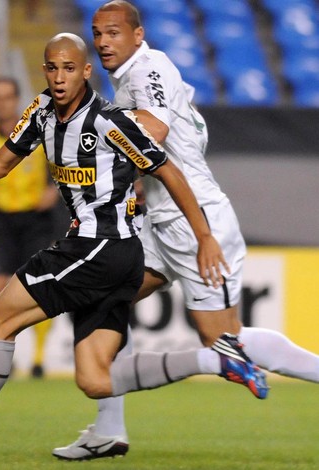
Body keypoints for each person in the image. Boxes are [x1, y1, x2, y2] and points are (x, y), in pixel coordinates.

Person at [0, 33, 267, 468]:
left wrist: (204, 237)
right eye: (53, 68)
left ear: (86, 72)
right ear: (45, 70)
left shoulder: (109, 121)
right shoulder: (42, 110)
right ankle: (216, 360)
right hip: (113, 257)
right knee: (95, 379)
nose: (60, 77)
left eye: (70, 68)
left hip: (98, 247)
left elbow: (170, 172)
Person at [52, 1, 319, 461]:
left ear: (138, 35)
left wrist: (90, 128)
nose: (102, 42)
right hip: (160, 223)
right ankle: (109, 429)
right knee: (101, 299)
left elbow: (152, 130)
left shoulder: (150, 67)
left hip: (194, 224)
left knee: (224, 343)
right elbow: (168, 134)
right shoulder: (133, 80)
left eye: (113, 33)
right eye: (97, 34)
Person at [0, 76, 59, 378]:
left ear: (16, 100)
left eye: (8, 97)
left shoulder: (38, 134)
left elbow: (62, 165)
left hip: (35, 219)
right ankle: (1, 355)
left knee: (40, 288)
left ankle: (40, 358)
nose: (3, 103)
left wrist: (53, 188)